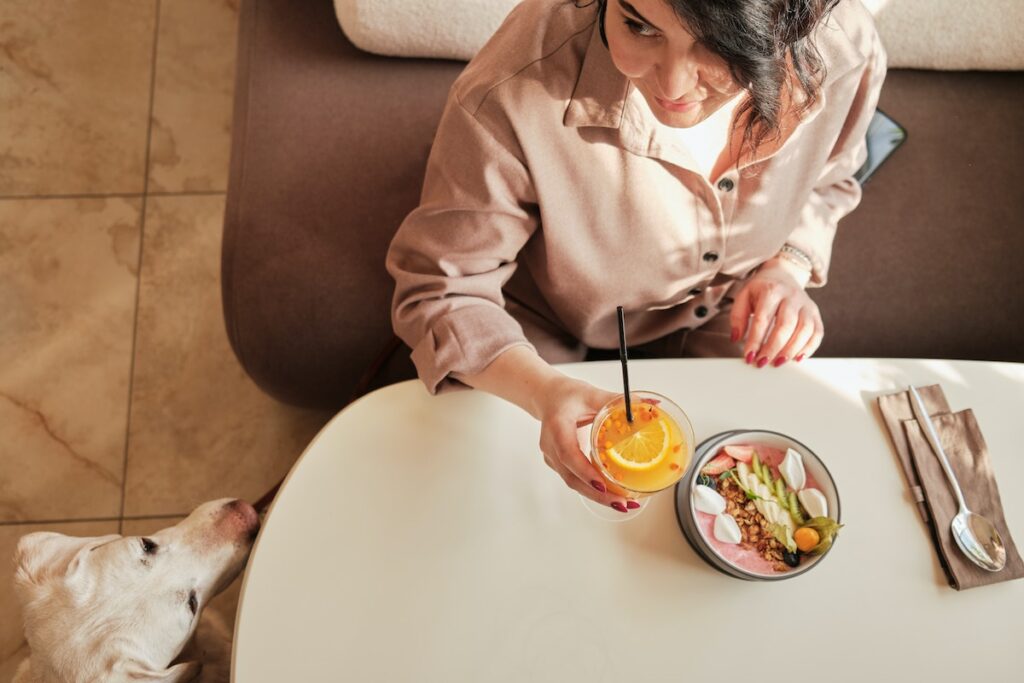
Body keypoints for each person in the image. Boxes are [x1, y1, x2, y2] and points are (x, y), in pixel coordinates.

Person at [386, 0, 886, 513]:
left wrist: (787, 264)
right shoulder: (510, 88)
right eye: (639, 26)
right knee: (513, 501)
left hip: (727, 317)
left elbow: (831, 175)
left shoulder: (845, 47)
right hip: (540, 326)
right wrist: (542, 391)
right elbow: (442, 289)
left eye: (719, 43)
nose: (671, 87)